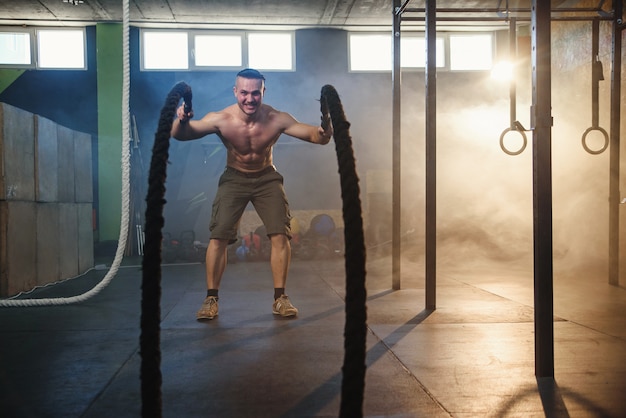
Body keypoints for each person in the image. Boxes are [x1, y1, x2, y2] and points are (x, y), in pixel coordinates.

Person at [170, 68, 333, 320]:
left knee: (281, 234)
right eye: (244, 92)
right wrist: (181, 120)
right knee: (218, 237)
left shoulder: (276, 118)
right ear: (235, 91)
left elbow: (317, 137)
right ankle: (210, 299)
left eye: (255, 93)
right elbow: (180, 134)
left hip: (266, 177)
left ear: (263, 92)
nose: (249, 99)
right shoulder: (222, 118)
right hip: (234, 177)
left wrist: (326, 128)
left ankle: (280, 298)